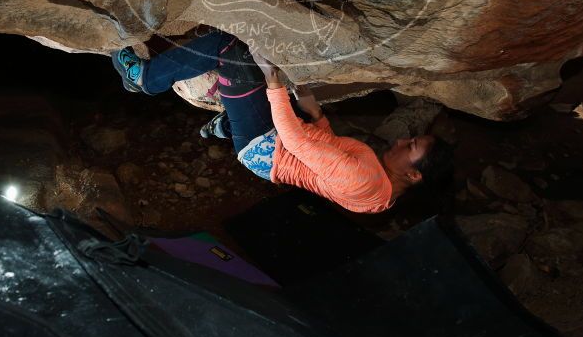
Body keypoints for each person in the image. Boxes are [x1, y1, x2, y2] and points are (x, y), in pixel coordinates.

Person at [112, 31, 454, 213]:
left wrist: (272, 82)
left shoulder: (366, 180)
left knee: (231, 48)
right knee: (290, 101)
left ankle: (145, 78)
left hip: (266, 145)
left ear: (414, 174)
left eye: (410, 146)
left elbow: (297, 144)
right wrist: (317, 114)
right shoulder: (381, 196)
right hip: (274, 150)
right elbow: (327, 155)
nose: (398, 142)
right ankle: (225, 127)